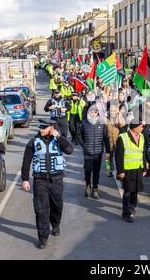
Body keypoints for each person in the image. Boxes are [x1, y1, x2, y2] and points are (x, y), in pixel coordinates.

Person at [21, 119, 74, 249]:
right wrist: (25, 179)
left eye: (44, 128)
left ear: (51, 129)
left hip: (56, 180)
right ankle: (43, 237)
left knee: (57, 206)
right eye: (40, 127)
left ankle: (55, 225)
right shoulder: (33, 142)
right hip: (40, 181)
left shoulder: (58, 140)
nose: (41, 130)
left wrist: (59, 137)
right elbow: (26, 161)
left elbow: (70, 150)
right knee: (41, 210)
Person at [77, 105, 111, 200]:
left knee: (96, 171)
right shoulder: (84, 123)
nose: (93, 113)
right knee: (87, 170)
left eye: (95, 112)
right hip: (87, 152)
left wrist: (108, 151)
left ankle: (95, 188)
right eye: (91, 112)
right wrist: (84, 145)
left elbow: (106, 138)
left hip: (98, 152)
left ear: (97, 113)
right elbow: (78, 135)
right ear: (88, 113)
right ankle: (88, 185)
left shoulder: (102, 124)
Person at [116, 122, 147, 223]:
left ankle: (132, 207)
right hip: (127, 169)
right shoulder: (123, 137)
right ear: (135, 127)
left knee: (135, 190)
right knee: (128, 191)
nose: (142, 128)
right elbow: (118, 156)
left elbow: (143, 152)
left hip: (138, 168)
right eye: (141, 126)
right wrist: (120, 171)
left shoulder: (141, 137)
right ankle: (126, 213)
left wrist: (144, 168)